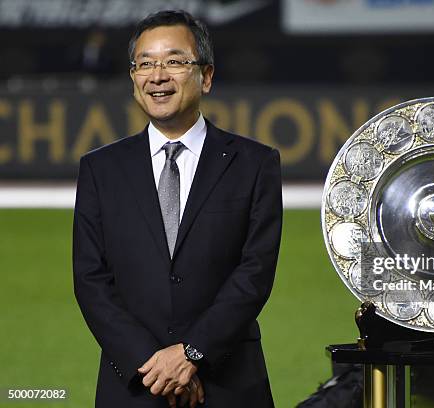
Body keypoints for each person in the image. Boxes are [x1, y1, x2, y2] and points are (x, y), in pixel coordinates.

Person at [73, 10, 282, 408]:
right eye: (145, 63)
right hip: (135, 385)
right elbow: (91, 280)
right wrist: (154, 367)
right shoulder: (100, 169)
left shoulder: (255, 164)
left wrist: (191, 354)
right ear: (133, 78)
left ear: (206, 76)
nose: (158, 75)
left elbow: (254, 274)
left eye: (174, 61)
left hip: (229, 384)